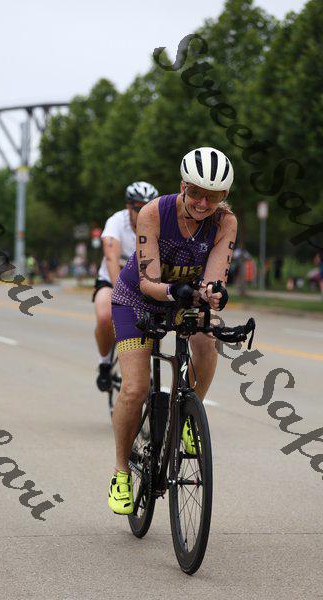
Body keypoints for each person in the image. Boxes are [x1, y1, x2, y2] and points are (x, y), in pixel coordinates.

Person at [107, 147, 237, 514]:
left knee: (207, 339)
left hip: (185, 297)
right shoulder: (154, 212)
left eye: (213, 196)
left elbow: (213, 279)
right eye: (195, 192)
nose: (202, 203)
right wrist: (174, 291)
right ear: (182, 186)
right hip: (138, 299)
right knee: (135, 388)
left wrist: (213, 293)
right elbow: (148, 281)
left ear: (224, 196)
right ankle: (121, 472)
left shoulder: (225, 222)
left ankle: (187, 416)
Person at [93, 182, 159, 391]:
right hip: (113, 280)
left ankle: (148, 369)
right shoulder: (116, 222)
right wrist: (119, 294)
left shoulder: (159, 223)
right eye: (138, 207)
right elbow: (111, 258)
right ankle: (105, 363)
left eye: (148, 207)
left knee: (155, 323)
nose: (142, 212)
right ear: (128, 206)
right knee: (105, 316)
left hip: (145, 284)